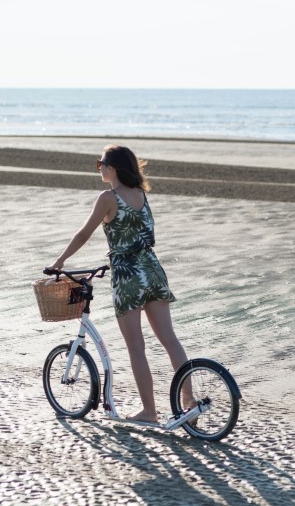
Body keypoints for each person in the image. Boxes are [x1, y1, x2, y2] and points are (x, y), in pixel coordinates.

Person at [48, 144, 190, 423]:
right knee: (170, 340)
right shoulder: (140, 194)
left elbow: (83, 234)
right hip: (153, 270)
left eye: (100, 163)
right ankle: (189, 401)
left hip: (127, 277)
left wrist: (60, 261)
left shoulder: (108, 198)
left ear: (111, 168)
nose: (99, 168)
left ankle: (149, 412)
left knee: (136, 348)